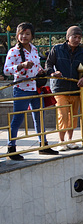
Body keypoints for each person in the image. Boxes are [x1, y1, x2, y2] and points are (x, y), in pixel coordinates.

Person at [3, 22, 59, 159]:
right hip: (22, 89)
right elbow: (6, 70)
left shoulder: (33, 49)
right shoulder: (13, 51)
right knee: (17, 118)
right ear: (17, 35)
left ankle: (43, 145)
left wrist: (46, 72)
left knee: (39, 117)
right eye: (21, 33)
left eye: (27, 34)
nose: (24, 36)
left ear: (32, 36)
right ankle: (11, 148)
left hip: (36, 88)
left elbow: (38, 66)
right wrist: (20, 66)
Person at [45, 26, 83, 150]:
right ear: (68, 37)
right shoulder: (57, 49)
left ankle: (70, 140)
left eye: (79, 37)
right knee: (63, 115)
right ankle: (61, 141)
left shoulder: (82, 52)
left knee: (73, 115)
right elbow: (48, 64)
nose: (77, 40)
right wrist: (52, 73)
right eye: (74, 37)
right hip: (60, 87)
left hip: (75, 88)